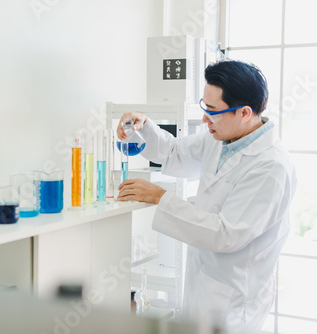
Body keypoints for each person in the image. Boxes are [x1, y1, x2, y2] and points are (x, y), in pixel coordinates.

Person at [117, 60, 297, 333]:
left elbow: (226, 234)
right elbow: (173, 152)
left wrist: (160, 197)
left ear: (245, 112)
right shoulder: (223, 137)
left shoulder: (271, 167)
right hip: (204, 287)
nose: (204, 119)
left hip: (234, 304)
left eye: (211, 111)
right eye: (204, 107)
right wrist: (143, 126)